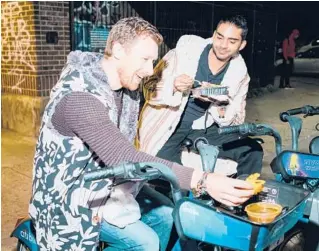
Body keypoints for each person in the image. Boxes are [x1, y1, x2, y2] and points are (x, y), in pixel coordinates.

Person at [29, 17, 255, 251]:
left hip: (112, 183)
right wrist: (203, 180)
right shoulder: (80, 98)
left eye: (153, 61)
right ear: (117, 50)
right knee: (145, 243)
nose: (149, 70)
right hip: (71, 197)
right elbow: (124, 156)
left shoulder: (127, 89)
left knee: (168, 213)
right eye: (145, 59)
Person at [137, 15, 263, 176]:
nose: (223, 45)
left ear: (242, 44)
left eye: (232, 41)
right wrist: (173, 86)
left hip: (205, 127)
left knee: (252, 150)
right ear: (214, 34)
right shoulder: (183, 54)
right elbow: (148, 86)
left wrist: (219, 104)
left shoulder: (239, 74)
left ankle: (241, 198)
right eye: (219, 37)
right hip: (170, 123)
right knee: (168, 170)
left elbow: (237, 120)